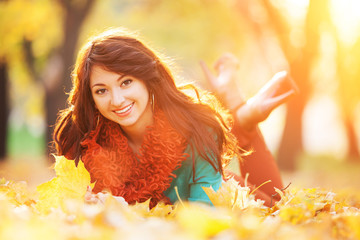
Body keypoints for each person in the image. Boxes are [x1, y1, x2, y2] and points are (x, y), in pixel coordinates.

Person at [53, 28, 295, 208]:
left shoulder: (194, 128)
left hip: (215, 187)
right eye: (101, 90)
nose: (116, 100)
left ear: (147, 78)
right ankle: (240, 116)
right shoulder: (91, 145)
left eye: (126, 82)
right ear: (91, 98)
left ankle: (243, 121)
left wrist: (125, 214)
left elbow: (203, 210)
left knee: (278, 206)